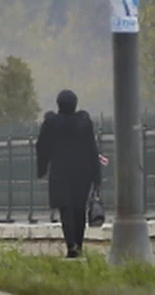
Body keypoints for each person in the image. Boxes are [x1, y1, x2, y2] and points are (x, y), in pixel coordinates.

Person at [36, 89, 102, 258]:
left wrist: (42, 169)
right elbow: (91, 149)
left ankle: (71, 245)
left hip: (60, 172)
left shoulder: (51, 123)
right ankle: (78, 246)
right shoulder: (84, 122)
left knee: (65, 210)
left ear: (59, 104)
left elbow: (41, 146)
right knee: (79, 209)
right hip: (82, 173)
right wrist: (96, 176)